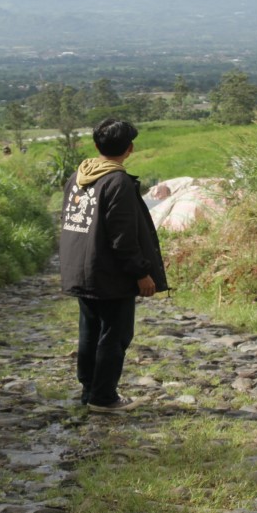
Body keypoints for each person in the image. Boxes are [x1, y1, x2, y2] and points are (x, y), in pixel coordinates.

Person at [59, 118, 168, 412]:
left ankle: (89, 391)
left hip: (82, 269)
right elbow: (123, 237)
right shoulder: (116, 181)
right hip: (110, 274)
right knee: (115, 334)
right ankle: (103, 397)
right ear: (130, 149)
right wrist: (141, 273)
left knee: (90, 331)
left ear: (97, 146)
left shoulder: (78, 176)